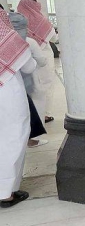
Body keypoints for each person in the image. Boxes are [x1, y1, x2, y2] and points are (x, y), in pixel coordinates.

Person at [0, 8, 37, 208]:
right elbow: (29, 67)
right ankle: (6, 192)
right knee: (13, 138)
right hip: (8, 95)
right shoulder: (8, 38)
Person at [8, 11, 49, 148]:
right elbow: (30, 67)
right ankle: (31, 140)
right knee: (30, 112)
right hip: (23, 85)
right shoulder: (27, 41)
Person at [17, 0, 58, 124]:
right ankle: (45, 114)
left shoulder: (17, 22)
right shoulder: (43, 21)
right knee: (45, 87)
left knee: (29, 88)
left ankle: (31, 116)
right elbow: (54, 39)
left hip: (24, 59)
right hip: (43, 58)